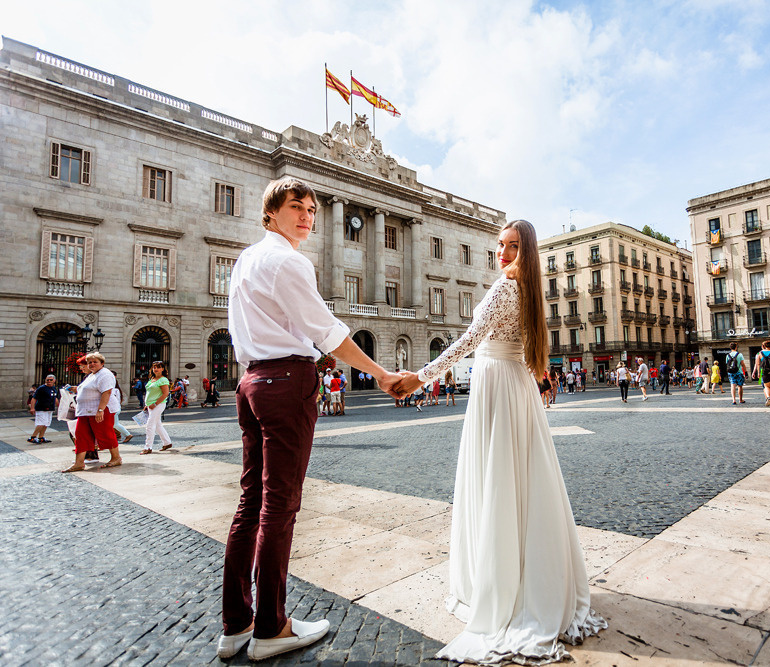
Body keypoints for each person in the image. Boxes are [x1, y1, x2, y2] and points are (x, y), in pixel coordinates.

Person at [392, 219, 605, 664]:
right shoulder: (529, 293)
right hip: (513, 385)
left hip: (496, 384)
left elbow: (470, 340)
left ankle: (501, 582)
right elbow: (525, 349)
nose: (502, 255)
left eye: (511, 247)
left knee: (497, 477)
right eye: (499, 246)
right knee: (520, 478)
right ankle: (527, 577)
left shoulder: (506, 288)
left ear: (527, 250)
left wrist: (420, 377)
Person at [218, 177, 402, 661]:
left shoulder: (246, 260)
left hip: (251, 380)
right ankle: (272, 627)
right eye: (295, 206)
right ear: (271, 213)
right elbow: (328, 332)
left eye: (312, 210)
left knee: (251, 501)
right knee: (279, 505)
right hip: (285, 383)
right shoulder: (289, 261)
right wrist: (381, 374)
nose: (306, 216)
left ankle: (237, 623)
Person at [61, 353, 123, 472]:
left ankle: (116, 458)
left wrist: (100, 410)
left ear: (102, 363)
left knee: (105, 434)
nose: (92, 364)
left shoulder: (105, 374)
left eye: (95, 362)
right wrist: (76, 389)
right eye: (89, 362)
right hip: (85, 412)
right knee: (81, 435)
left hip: (100, 410)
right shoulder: (91, 375)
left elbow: (106, 392)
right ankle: (79, 463)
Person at [140, 361, 173, 454]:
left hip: (158, 404)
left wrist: (155, 404)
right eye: (154, 367)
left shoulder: (163, 380)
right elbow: (150, 393)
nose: (156, 369)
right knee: (158, 425)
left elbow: (165, 394)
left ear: (162, 369)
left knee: (150, 425)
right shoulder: (152, 379)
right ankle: (167, 442)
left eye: (158, 367)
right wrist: (146, 405)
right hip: (150, 405)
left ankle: (148, 447)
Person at [28, 374, 59, 443]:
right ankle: (33, 437)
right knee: (41, 423)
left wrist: (59, 406)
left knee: (46, 423)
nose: (49, 381)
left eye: (51, 380)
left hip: (50, 409)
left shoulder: (53, 388)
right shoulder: (42, 388)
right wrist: (32, 408)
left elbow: (55, 398)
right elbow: (34, 398)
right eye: (47, 380)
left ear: (54, 380)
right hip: (41, 408)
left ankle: (41, 437)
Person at [110, 371, 133, 443]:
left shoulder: (115, 390)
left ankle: (127, 435)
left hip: (114, 409)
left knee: (115, 424)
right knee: (113, 424)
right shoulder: (115, 390)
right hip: (113, 409)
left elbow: (117, 401)